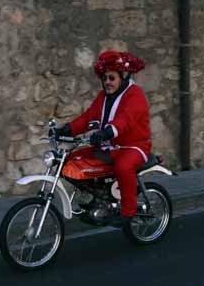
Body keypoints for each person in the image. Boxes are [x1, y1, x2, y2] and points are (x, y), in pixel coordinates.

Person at [57, 50, 151, 222]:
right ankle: (94, 196)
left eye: (111, 78)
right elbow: (88, 117)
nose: (107, 82)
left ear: (123, 77)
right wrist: (66, 129)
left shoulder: (135, 95)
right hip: (109, 147)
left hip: (134, 146)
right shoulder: (103, 97)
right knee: (73, 159)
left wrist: (106, 132)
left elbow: (126, 120)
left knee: (123, 167)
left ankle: (128, 212)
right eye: (104, 78)